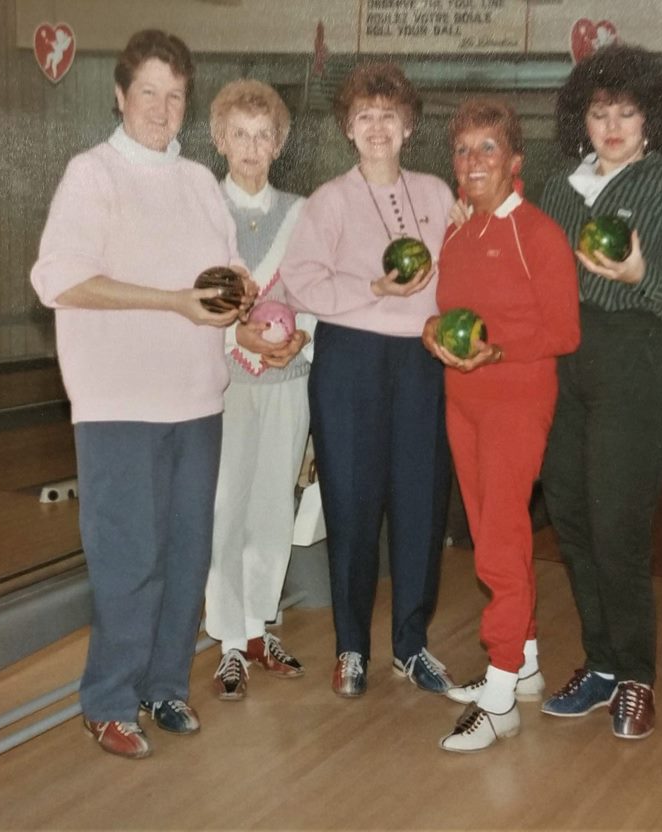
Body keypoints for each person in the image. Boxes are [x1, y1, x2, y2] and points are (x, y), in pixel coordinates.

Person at [30, 29, 253, 760]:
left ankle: (165, 687)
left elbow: (221, 284)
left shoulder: (198, 184)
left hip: (197, 400)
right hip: (118, 403)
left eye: (175, 95)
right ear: (121, 96)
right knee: (130, 558)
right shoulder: (91, 174)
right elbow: (58, 278)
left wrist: (247, 312)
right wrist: (171, 303)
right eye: (148, 92)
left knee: (187, 556)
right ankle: (108, 701)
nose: (161, 109)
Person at [537, 44, 662, 740]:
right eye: (599, 113)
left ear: (652, 121)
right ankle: (599, 664)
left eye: (627, 112)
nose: (613, 125)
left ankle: (637, 677)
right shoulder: (558, 190)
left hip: (632, 357)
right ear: (580, 121)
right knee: (572, 518)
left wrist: (640, 278)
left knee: (617, 524)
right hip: (560, 365)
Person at [280, 62, 455, 698]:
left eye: (388, 115)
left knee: (419, 503)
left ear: (408, 127)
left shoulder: (438, 195)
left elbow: (460, 273)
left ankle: (411, 645)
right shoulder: (329, 200)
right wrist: (372, 289)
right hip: (350, 361)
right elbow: (301, 280)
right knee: (352, 507)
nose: (376, 127)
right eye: (364, 117)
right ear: (348, 130)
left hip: (420, 363)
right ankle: (352, 646)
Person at [422, 98, 580, 752]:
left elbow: (564, 332)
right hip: (463, 398)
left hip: (517, 397)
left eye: (488, 149)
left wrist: (496, 349)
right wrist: (435, 333)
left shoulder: (536, 233)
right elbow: (444, 309)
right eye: (463, 150)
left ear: (514, 161)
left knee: (499, 537)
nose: (473, 162)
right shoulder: (458, 232)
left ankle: (500, 691)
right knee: (490, 527)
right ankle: (529, 662)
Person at [203, 79, 315, 700]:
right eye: (239, 135)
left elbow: (312, 295)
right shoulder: (203, 210)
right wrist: (238, 340)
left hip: (288, 377)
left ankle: (256, 629)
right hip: (224, 379)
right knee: (227, 507)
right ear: (220, 140)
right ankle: (228, 642)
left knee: (273, 505)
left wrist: (301, 342)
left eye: (263, 135)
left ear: (279, 144)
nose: (251, 147)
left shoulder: (300, 212)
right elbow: (192, 302)